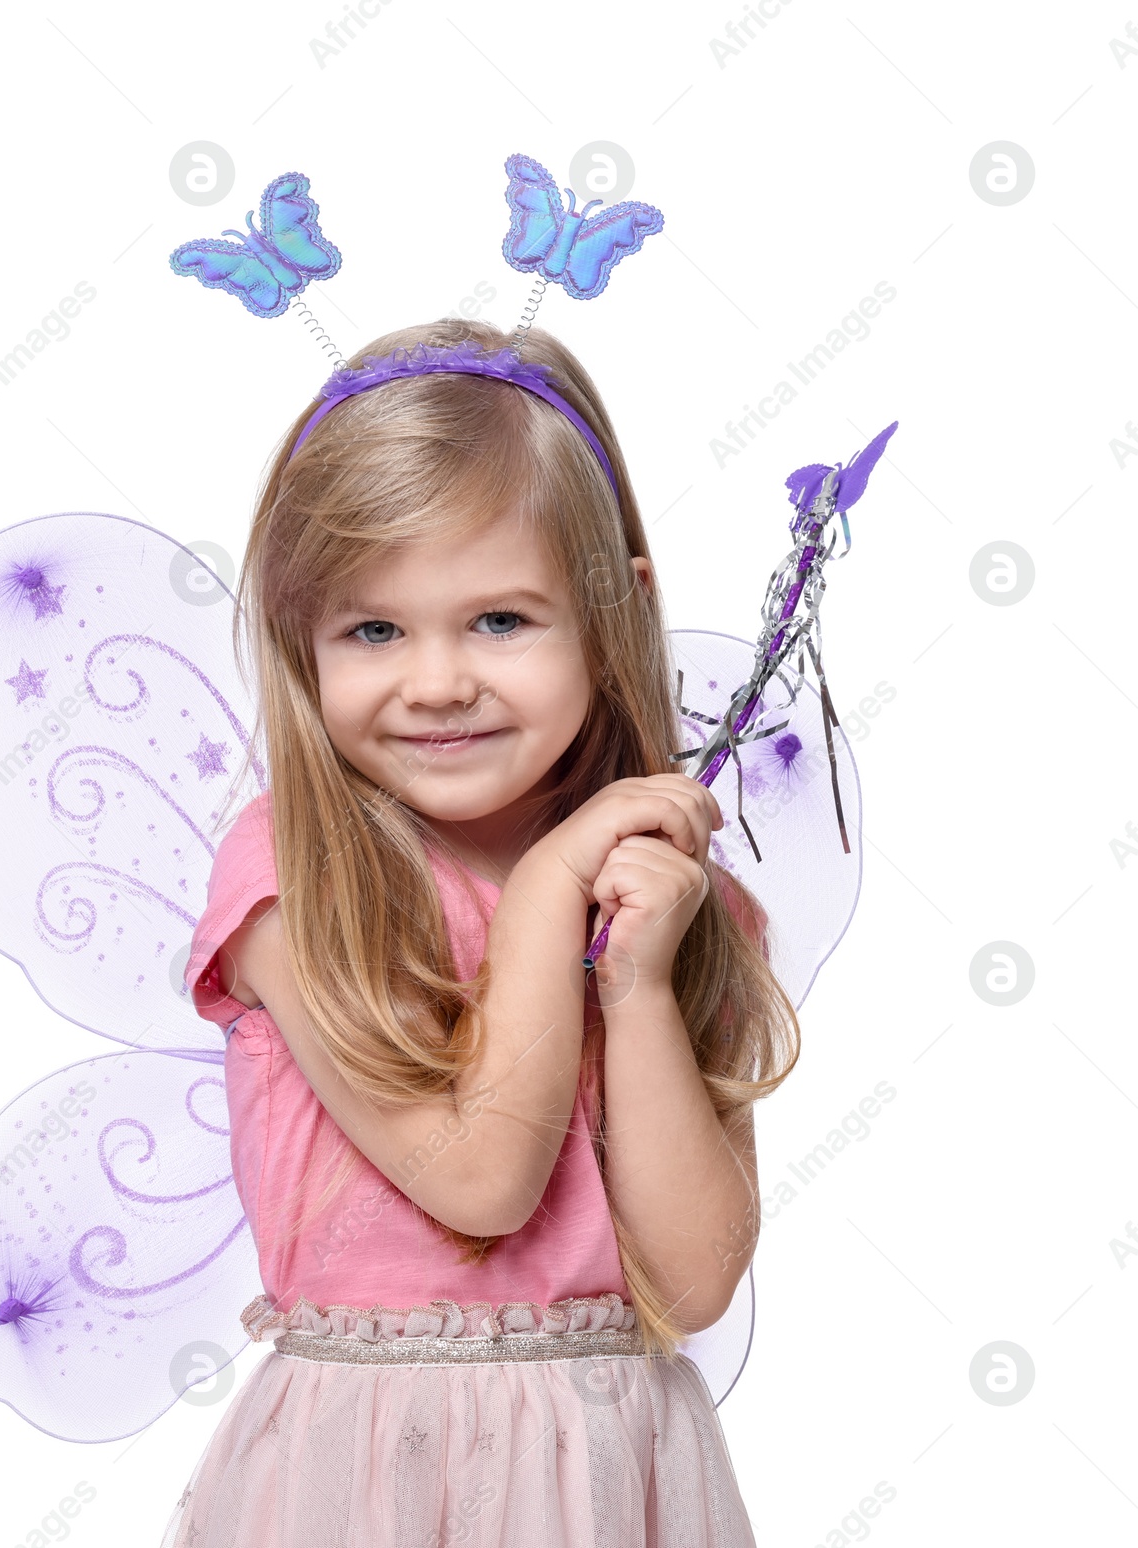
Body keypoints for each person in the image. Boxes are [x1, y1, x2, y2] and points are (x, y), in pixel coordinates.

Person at [167, 315, 800, 1547]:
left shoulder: (677, 905)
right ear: (302, 637)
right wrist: (550, 887)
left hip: (613, 1470)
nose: (438, 680)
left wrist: (641, 992)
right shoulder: (299, 878)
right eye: (372, 630)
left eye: (501, 620)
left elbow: (692, 1282)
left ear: (615, 610)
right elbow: (482, 1182)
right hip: (365, 1480)